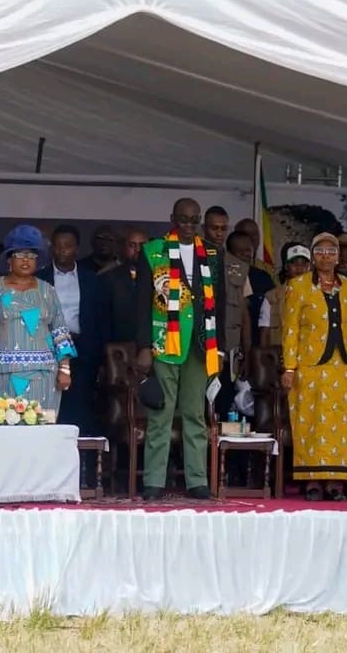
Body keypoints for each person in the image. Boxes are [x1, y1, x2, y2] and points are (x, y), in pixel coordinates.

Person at [136, 198, 225, 500]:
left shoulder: (212, 253)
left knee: (195, 414)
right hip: (165, 343)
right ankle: (154, 481)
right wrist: (144, 346)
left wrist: (220, 349)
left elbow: (220, 303)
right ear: (172, 218)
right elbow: (141, 303)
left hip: (200, 344)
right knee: (160, 414)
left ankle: (197, 480)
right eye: (183, 220)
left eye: (194, 220)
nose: (189, 225)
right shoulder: (153, 250)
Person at [281, 233, 347, 501]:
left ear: (338, 257)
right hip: (309, 367)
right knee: (310, 422)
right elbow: (290, 330)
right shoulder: (297, 286)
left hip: (343, 368)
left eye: (331, 251)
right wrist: (289, 368)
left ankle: (336, 481)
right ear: (313, 256)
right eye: (320, 251)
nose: (326, 256)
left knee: (340, 424)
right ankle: (311, 480)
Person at [0, 225, 76, 412]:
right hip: (0, 374)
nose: (26, 260)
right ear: (9, 259)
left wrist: (65, 370)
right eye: (19, 255)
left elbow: (59, 331)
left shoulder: (47, 290)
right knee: (0, 426)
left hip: (43, 376)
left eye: (31, 256)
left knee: (41, 426)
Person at [37, 224, 105, 434]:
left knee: (80, 406)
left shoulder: (92, 279)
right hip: (48, 349)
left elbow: (100, 319)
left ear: (77, 248)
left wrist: (99, 355)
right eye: (57, 246)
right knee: (49, 405)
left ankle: (80, 451)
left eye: (67, 245)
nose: (62, 250)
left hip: (82, 349)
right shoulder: (40, 278)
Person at [258, 242, 311, 347]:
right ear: (286, 266)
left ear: (309, 268)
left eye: (304, 264)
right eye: (294, 263)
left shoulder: (319, 295)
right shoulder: (272, 297)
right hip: (281, 352)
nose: (299, 268)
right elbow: (264, 331)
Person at [102, 227, 149, 344]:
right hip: (120, 343)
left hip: (151, 344)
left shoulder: (159, 276)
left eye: (142, 245)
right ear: (124, 248)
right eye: (132, 245)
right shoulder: (110, 277)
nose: (138, 249)